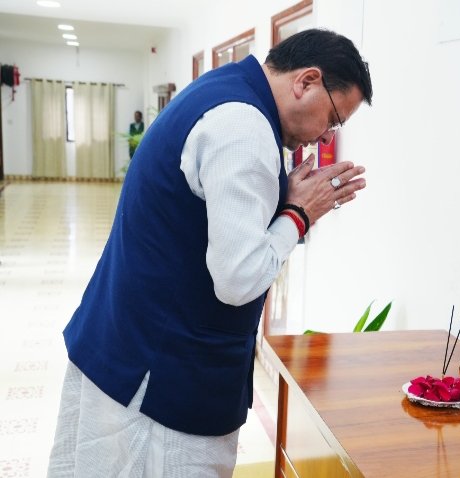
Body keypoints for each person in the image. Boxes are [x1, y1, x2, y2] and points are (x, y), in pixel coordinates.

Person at [47, 29, 373, 477]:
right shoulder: (245, 129)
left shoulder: (225, 90)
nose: (325, 136)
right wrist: (299, 215)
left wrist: (283, 203)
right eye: (333, 119)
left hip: (125, 344)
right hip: (159, 381)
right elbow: (238, 280)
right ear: (306, 81)